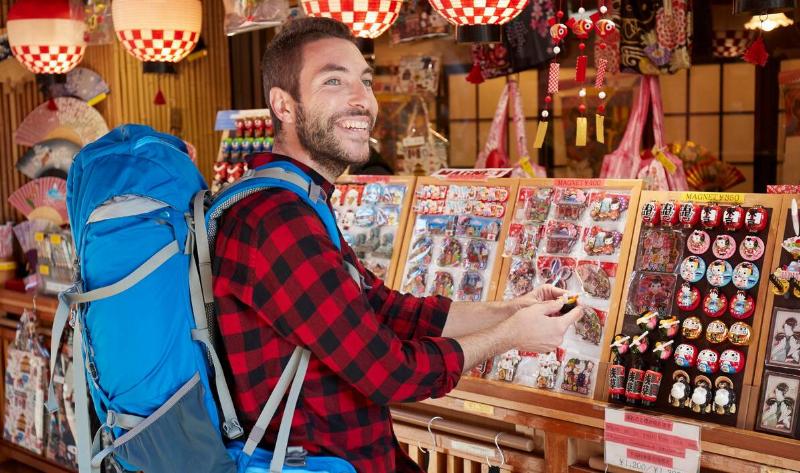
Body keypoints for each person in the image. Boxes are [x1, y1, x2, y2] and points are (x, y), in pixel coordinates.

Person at [213, 17, 583, 472]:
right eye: (334, 80)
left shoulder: (297, 200)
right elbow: (388, 373)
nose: (361, 100)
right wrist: (510, 337)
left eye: (365, 82)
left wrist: (510, 309)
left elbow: (385, 308)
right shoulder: (276, 221)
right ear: (283, 106)